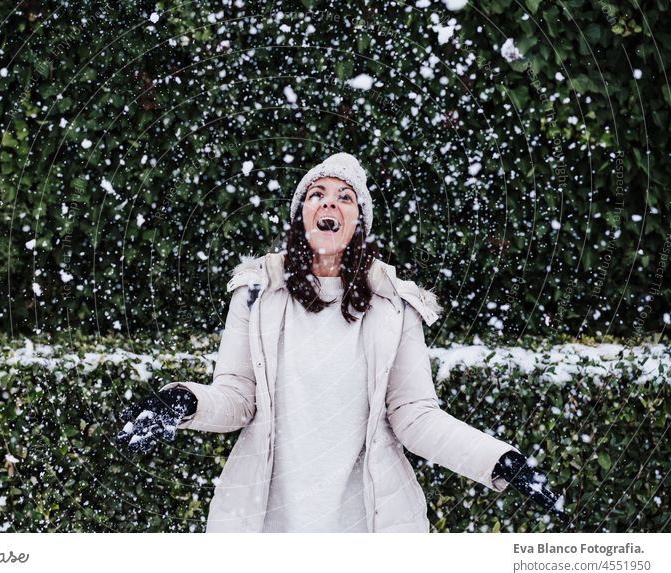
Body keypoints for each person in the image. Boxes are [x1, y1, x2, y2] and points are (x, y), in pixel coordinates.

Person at [117, 152, 569, 532]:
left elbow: (415, 416)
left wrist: (500, 461)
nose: (328, 203)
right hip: (268, 528)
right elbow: (236, 397)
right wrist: (181, 402)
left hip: (366, 529)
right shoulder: (257, 291)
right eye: (316, 195)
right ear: (302, 216)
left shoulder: (394, 305)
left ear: (357, 221)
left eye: (344, 197)